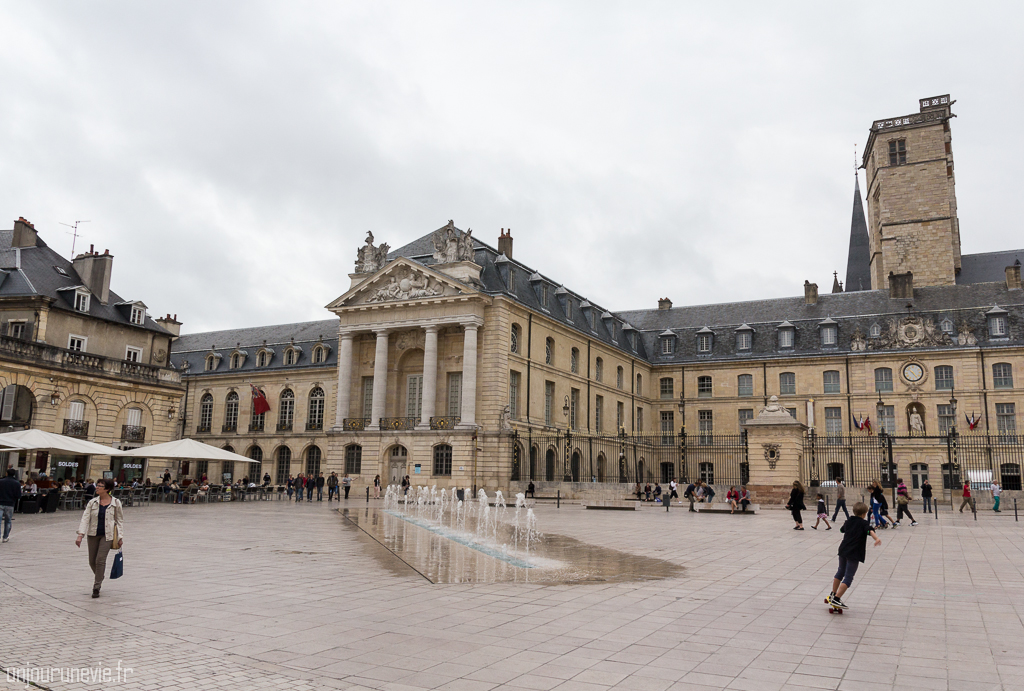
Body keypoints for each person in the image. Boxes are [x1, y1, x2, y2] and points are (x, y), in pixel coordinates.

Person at [827, 502, 881, 610]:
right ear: (864, 513)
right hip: (854, 553)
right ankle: (837, 599)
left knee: (840, 571)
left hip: (843, 550)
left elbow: (842, 530)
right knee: (848, 576)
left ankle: (833, 593)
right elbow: (870, 531)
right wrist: (876, 538)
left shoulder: (849, 521)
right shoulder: (863, 523)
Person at [75, 479, 124, 598]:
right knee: (92, 561)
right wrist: (80, 534)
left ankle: (96, 586)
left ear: (107, 489)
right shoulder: (92, 502)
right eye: (97, 485)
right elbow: (85, 518)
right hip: (93, 534)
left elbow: (120, 520)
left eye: (100, 486)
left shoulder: (116, 503)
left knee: (100, 560)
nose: (97, 487)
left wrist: (120, 537)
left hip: (107, 535)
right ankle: (100, 576)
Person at [1, 468, 21, 543]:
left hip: (0, 503)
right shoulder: (16, 483)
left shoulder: (1, 481)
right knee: (8, 521)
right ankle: (5, 537)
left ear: (6, 473)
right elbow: (18, 495)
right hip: (10, 504)